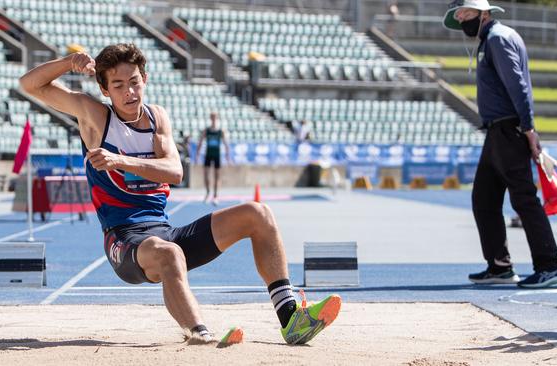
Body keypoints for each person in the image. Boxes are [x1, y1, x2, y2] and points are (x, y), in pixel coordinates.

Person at [19, 43, 341, 344]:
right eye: (118, 85)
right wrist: (66, 62)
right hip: (124, 240)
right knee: (169, 254)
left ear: (145, 78)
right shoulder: (95, 116)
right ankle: (199, 334)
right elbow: (29, 85)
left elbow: (175, 171)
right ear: (105, 90)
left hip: (166, 232)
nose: (129, 92)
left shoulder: (157, 118)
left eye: (134, 81)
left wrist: (120, 160)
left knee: (259, 215)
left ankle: (291, 319)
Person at [443, 0, 557, 288]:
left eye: (466, 13)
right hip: (498, 131)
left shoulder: (497, 39)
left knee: (523, 198)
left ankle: (550, 265)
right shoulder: (494, 38)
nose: (462, 19)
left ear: (484, 13)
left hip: (509, 129)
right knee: (484, 198)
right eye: (459, 15)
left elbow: (517, 85)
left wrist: (528, 127)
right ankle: (499, 266)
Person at [195, 112, 230, 205]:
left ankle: (215, 196)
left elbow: (226, 144)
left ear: (217, 118)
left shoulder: (221, 131)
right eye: (212, 117)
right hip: (208, 155)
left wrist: (227, 155)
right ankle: (207, 193)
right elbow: (200, 142)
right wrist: (197, 154)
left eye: (215, 117)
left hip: (217, 155)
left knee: (217, 176)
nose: (214, 119)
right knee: (206, 175)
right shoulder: (207, 130)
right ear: (210, 118)